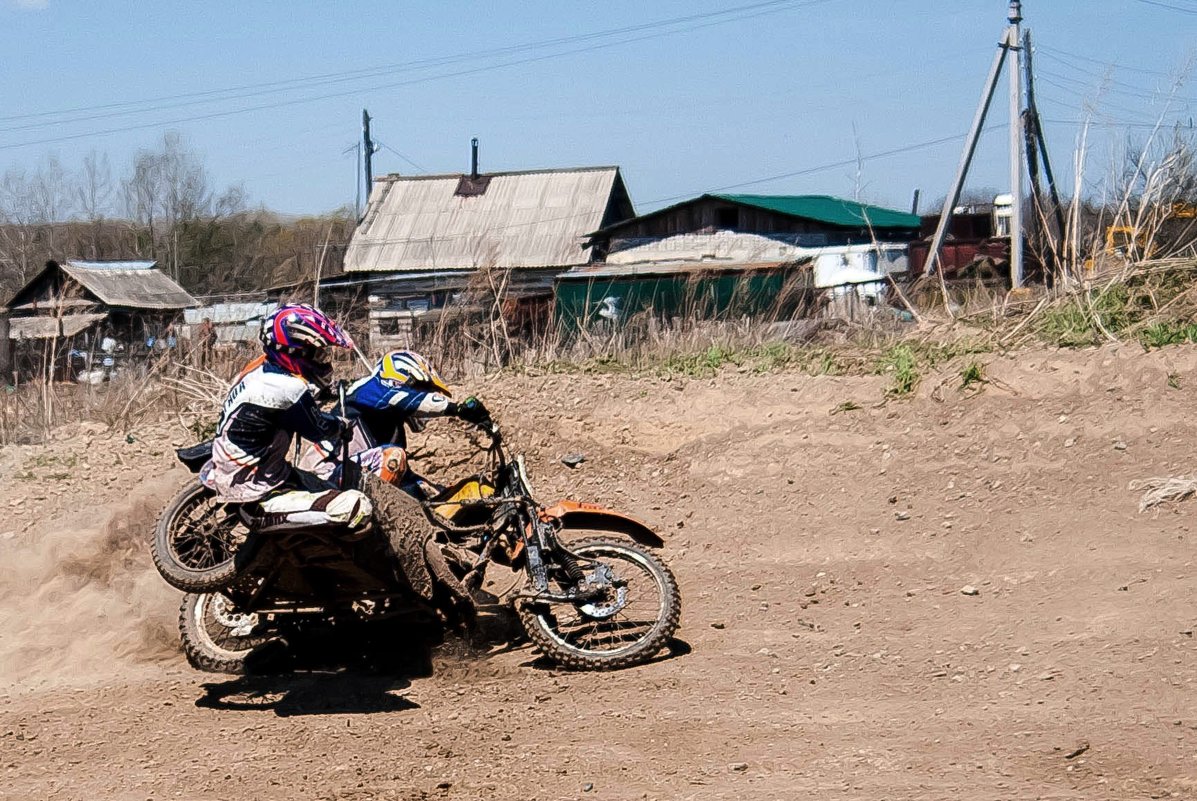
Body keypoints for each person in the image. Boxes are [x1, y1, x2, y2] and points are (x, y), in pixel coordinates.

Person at [200, 304, 372, 533]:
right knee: (355, 507)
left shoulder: (260, 371)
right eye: (318, 353)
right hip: (255, 488)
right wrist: (340, 425)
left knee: (325, 486)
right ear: (295, 351)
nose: (323, 360)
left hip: (246, 464)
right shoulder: (288, 389)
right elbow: (319, 429)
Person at [299, 350, 490, 498]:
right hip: (322, 474)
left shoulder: (392, 430)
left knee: (418, 490)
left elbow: (405, 478)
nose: (423, 395)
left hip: (347, 477)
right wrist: (456, 409)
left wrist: (441, 493)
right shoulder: (366, 390)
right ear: (402, 379)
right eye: (421, 389)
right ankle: (377, 532)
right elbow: (397, 398)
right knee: (393, 457)